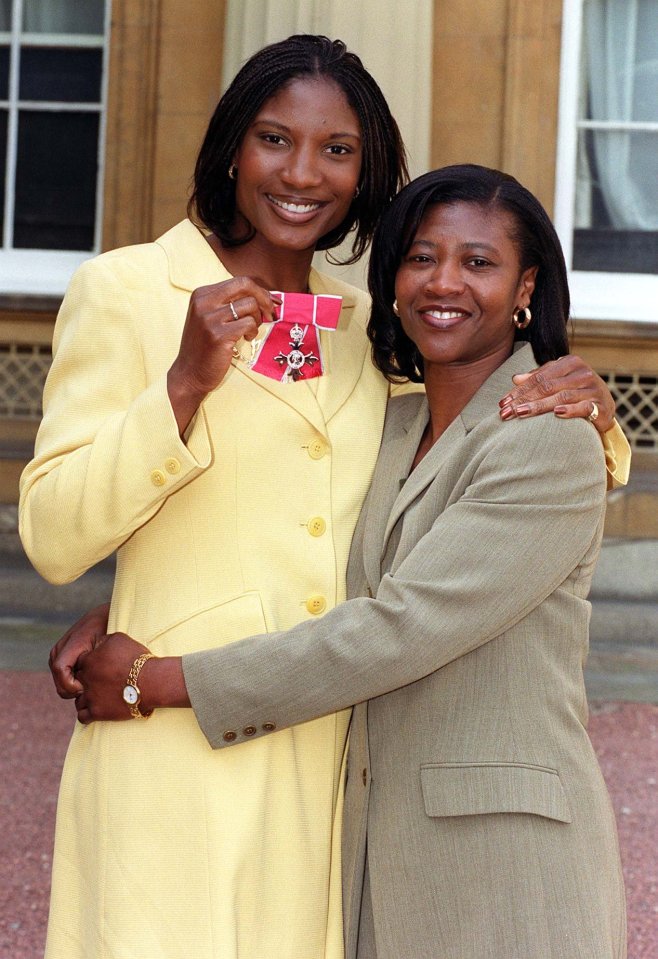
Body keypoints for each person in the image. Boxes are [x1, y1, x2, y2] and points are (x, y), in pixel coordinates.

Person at [21, 32, 624, 959]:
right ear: (231, 148)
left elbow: (410, 492)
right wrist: (181, 384)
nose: (302, 173)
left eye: (337, 150)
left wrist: (597, 415)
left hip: (326, 764)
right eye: (274, 139)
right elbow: (55, 535)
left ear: (365, 170)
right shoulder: (127, 290)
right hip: (171, 748)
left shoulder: (364, 327)